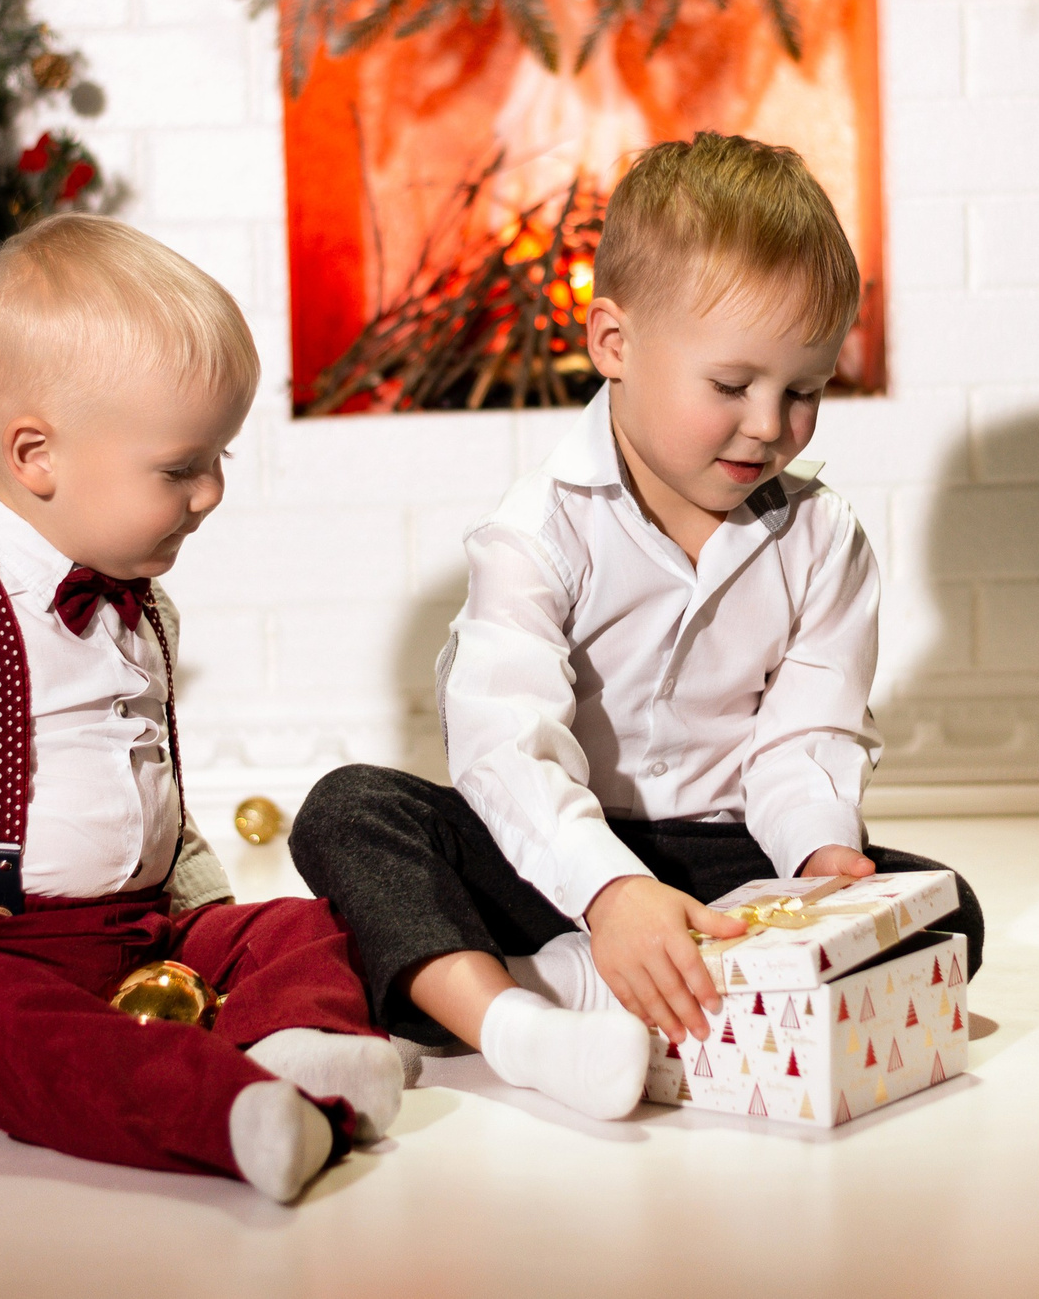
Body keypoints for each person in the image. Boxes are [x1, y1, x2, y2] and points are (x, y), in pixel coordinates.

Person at [292, 133, 985, 1121]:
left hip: (723, 860)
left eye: (804, 391)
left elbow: (803, 741)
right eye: (732, 385)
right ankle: (519, 1023)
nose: (768, 424)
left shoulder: (823, 539)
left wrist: (824, 862)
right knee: (350, 810)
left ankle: (553, 983)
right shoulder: (536, 531)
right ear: (613, 343)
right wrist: (608, 890)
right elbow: (506, 750)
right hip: (551, 852)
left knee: (949, 911)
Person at [0, 214, 402, 1202]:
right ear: (36, 455)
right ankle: (225, 1111)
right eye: (181, 467)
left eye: (218, 458)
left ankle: (307, 1055)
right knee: (12, 1034)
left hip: (137, 929)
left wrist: (206, 917)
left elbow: (155, 792)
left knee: (295, 924)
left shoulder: (138, 611)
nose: (213, 492)